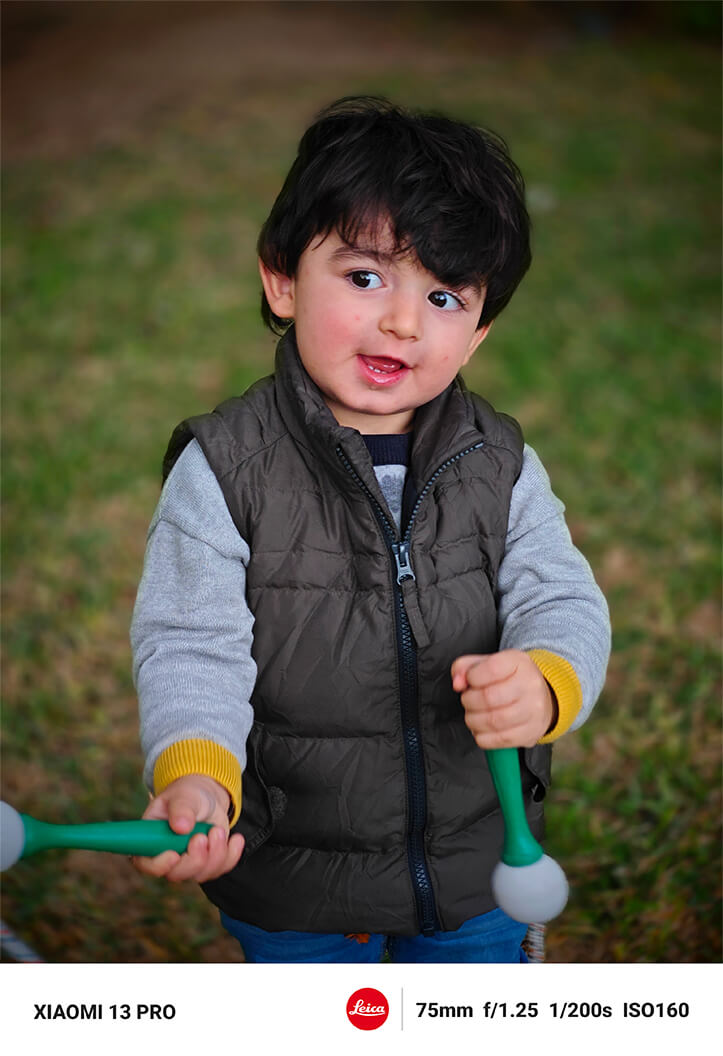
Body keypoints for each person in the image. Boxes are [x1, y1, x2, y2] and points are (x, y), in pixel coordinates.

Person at [130, 96, 610, 963]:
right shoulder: (224, 469)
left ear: (478, 334)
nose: (403, 321)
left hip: (474, 866)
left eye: (444, 296)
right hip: (296, 874)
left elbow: (562, 597)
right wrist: (197, 771)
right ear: (282, 279)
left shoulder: (498, 463)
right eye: (364, 278)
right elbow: (189, 644)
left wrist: (547, 680)